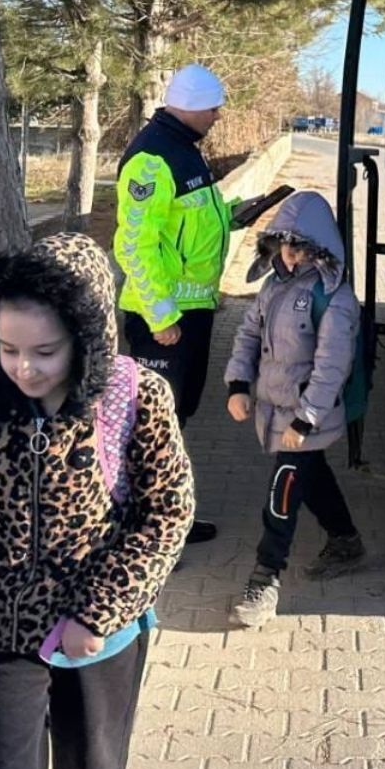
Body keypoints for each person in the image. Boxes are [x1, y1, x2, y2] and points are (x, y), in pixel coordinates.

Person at [0, 231, 195, 769]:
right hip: (1, 630)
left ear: (88, 336)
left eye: (45, 352)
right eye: (9, 350)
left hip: (101, 637)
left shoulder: (136, 398)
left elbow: (167, 514)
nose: (25, 369)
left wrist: (98, 613)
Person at [114, 63, 259, 546]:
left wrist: (234, 219)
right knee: (154, 423)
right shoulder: (152, 158)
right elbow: (135, 245)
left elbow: (189, 225)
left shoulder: (184, 152)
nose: (218, 116)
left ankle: (165, 515)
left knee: (177, 418)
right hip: (164, 320)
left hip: (189, 314)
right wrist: (161, 318)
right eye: (214, 108)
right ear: (193, 106)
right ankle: (144, 527)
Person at [223, 192, 367, 628]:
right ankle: (345, 539)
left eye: (302, 245)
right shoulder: (273, 287)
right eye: (285, 243)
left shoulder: (335, 300)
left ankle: (265, 577)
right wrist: (236, 384)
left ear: (322, 247)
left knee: (284, 488)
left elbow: (331, 367)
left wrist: (306, 419)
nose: (291, 253)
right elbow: (248, 335)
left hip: (306, 417)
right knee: (312, 476)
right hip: (275, 411)